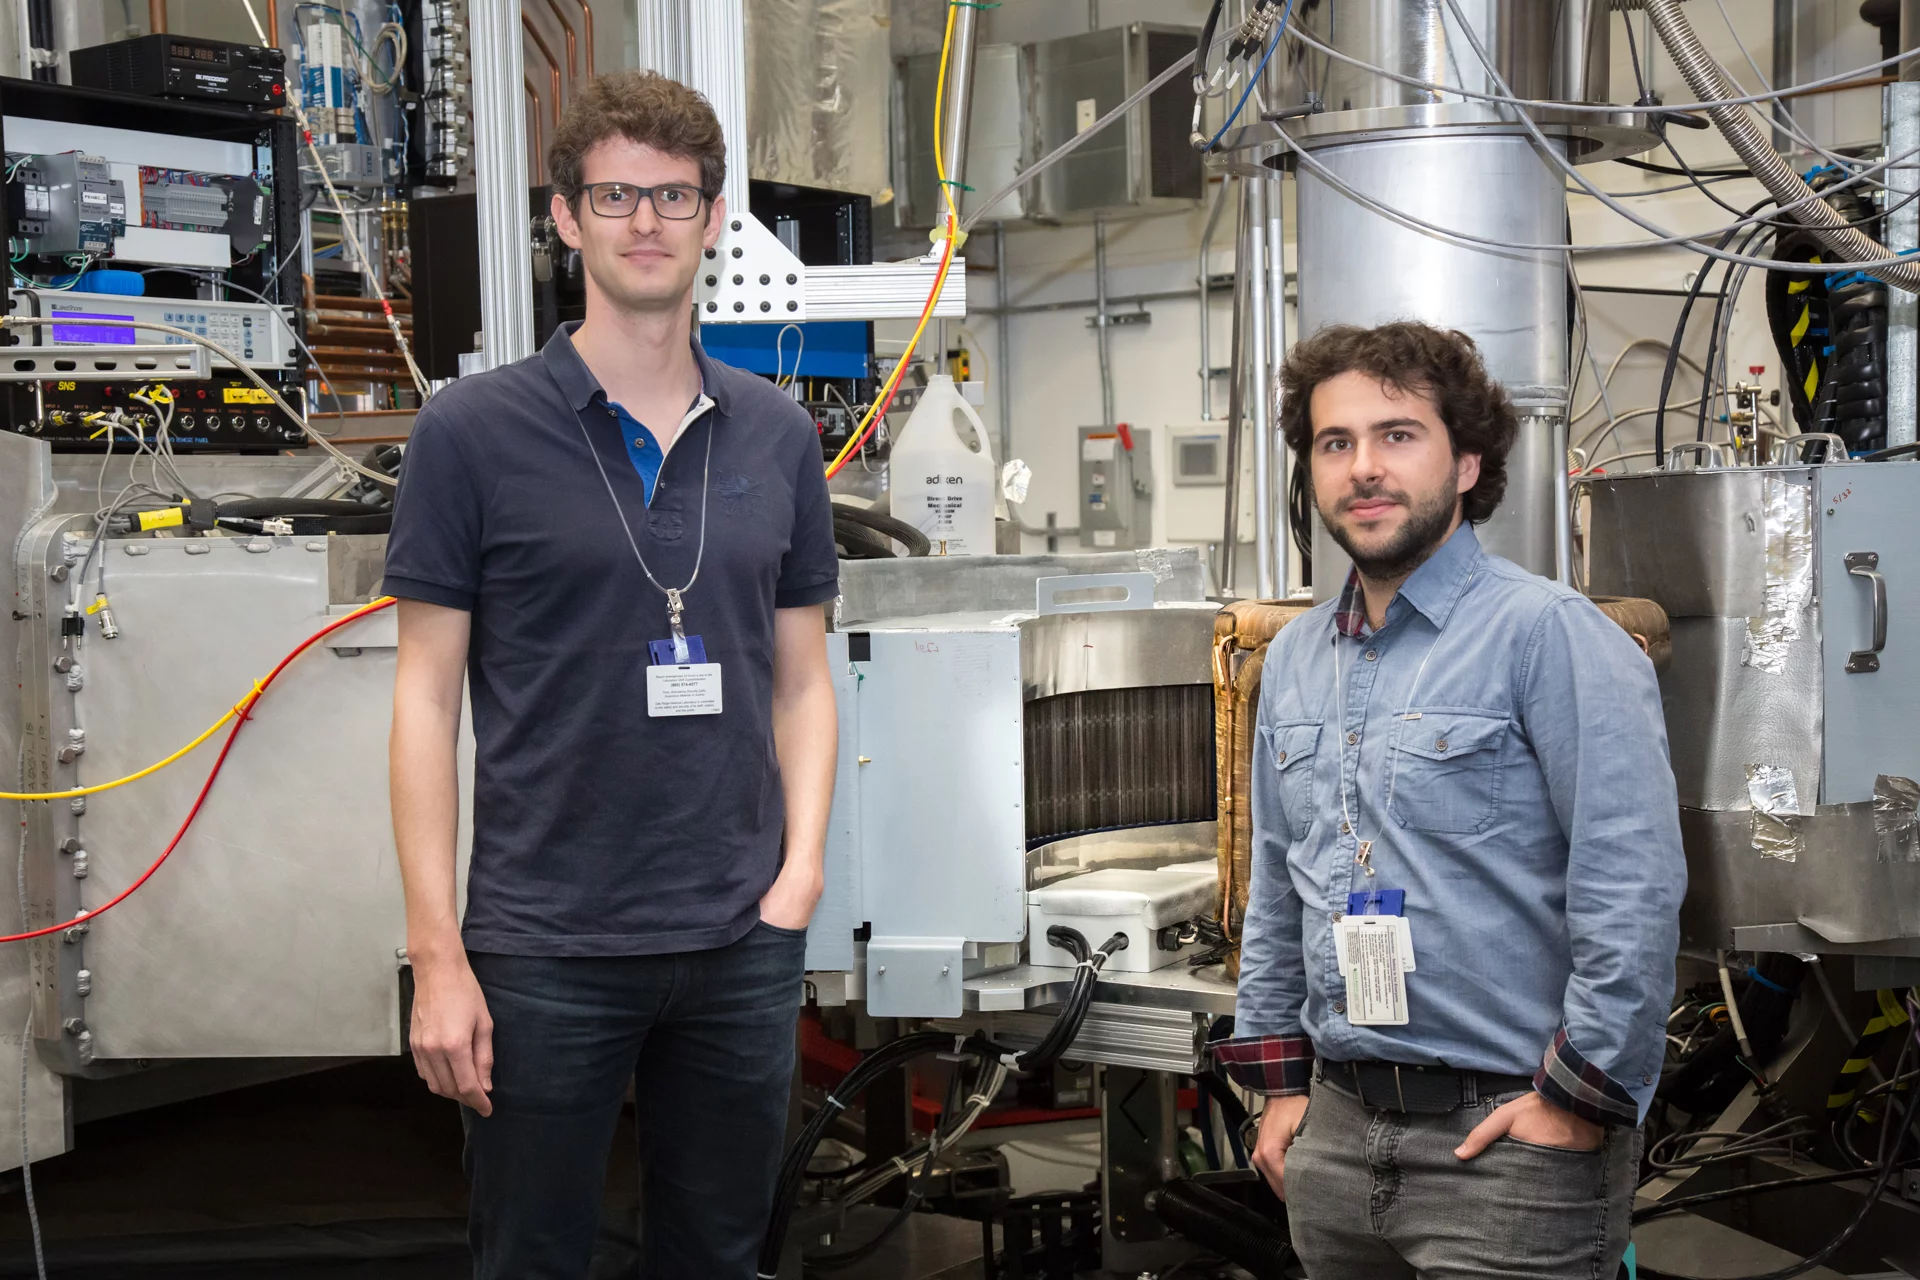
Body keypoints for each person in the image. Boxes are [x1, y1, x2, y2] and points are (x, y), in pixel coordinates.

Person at [384, 70, 840, 1279]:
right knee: (531, 1258)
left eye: (674, 196)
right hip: (544, 947)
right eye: (616, 195)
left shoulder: (778, 434)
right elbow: (424, 699)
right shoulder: (471, 433)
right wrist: (438, 953)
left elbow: (802, 680)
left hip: (739, 940)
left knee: (721, 1256)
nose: (647, 220)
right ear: (566, 217)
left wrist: (797, 877)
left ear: (714, 218)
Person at [1215, 322, 1686, 1278]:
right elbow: (1277, 887)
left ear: (1468, 461)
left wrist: (1576, 1100)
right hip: (1334, 1139)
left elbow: (1630, 883)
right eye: (1335, 443)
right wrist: (1279, 1083)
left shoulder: (1551, 636)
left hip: (1508, 1146)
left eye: (1397, 435)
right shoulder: (1294, 658)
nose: (1362, 468)